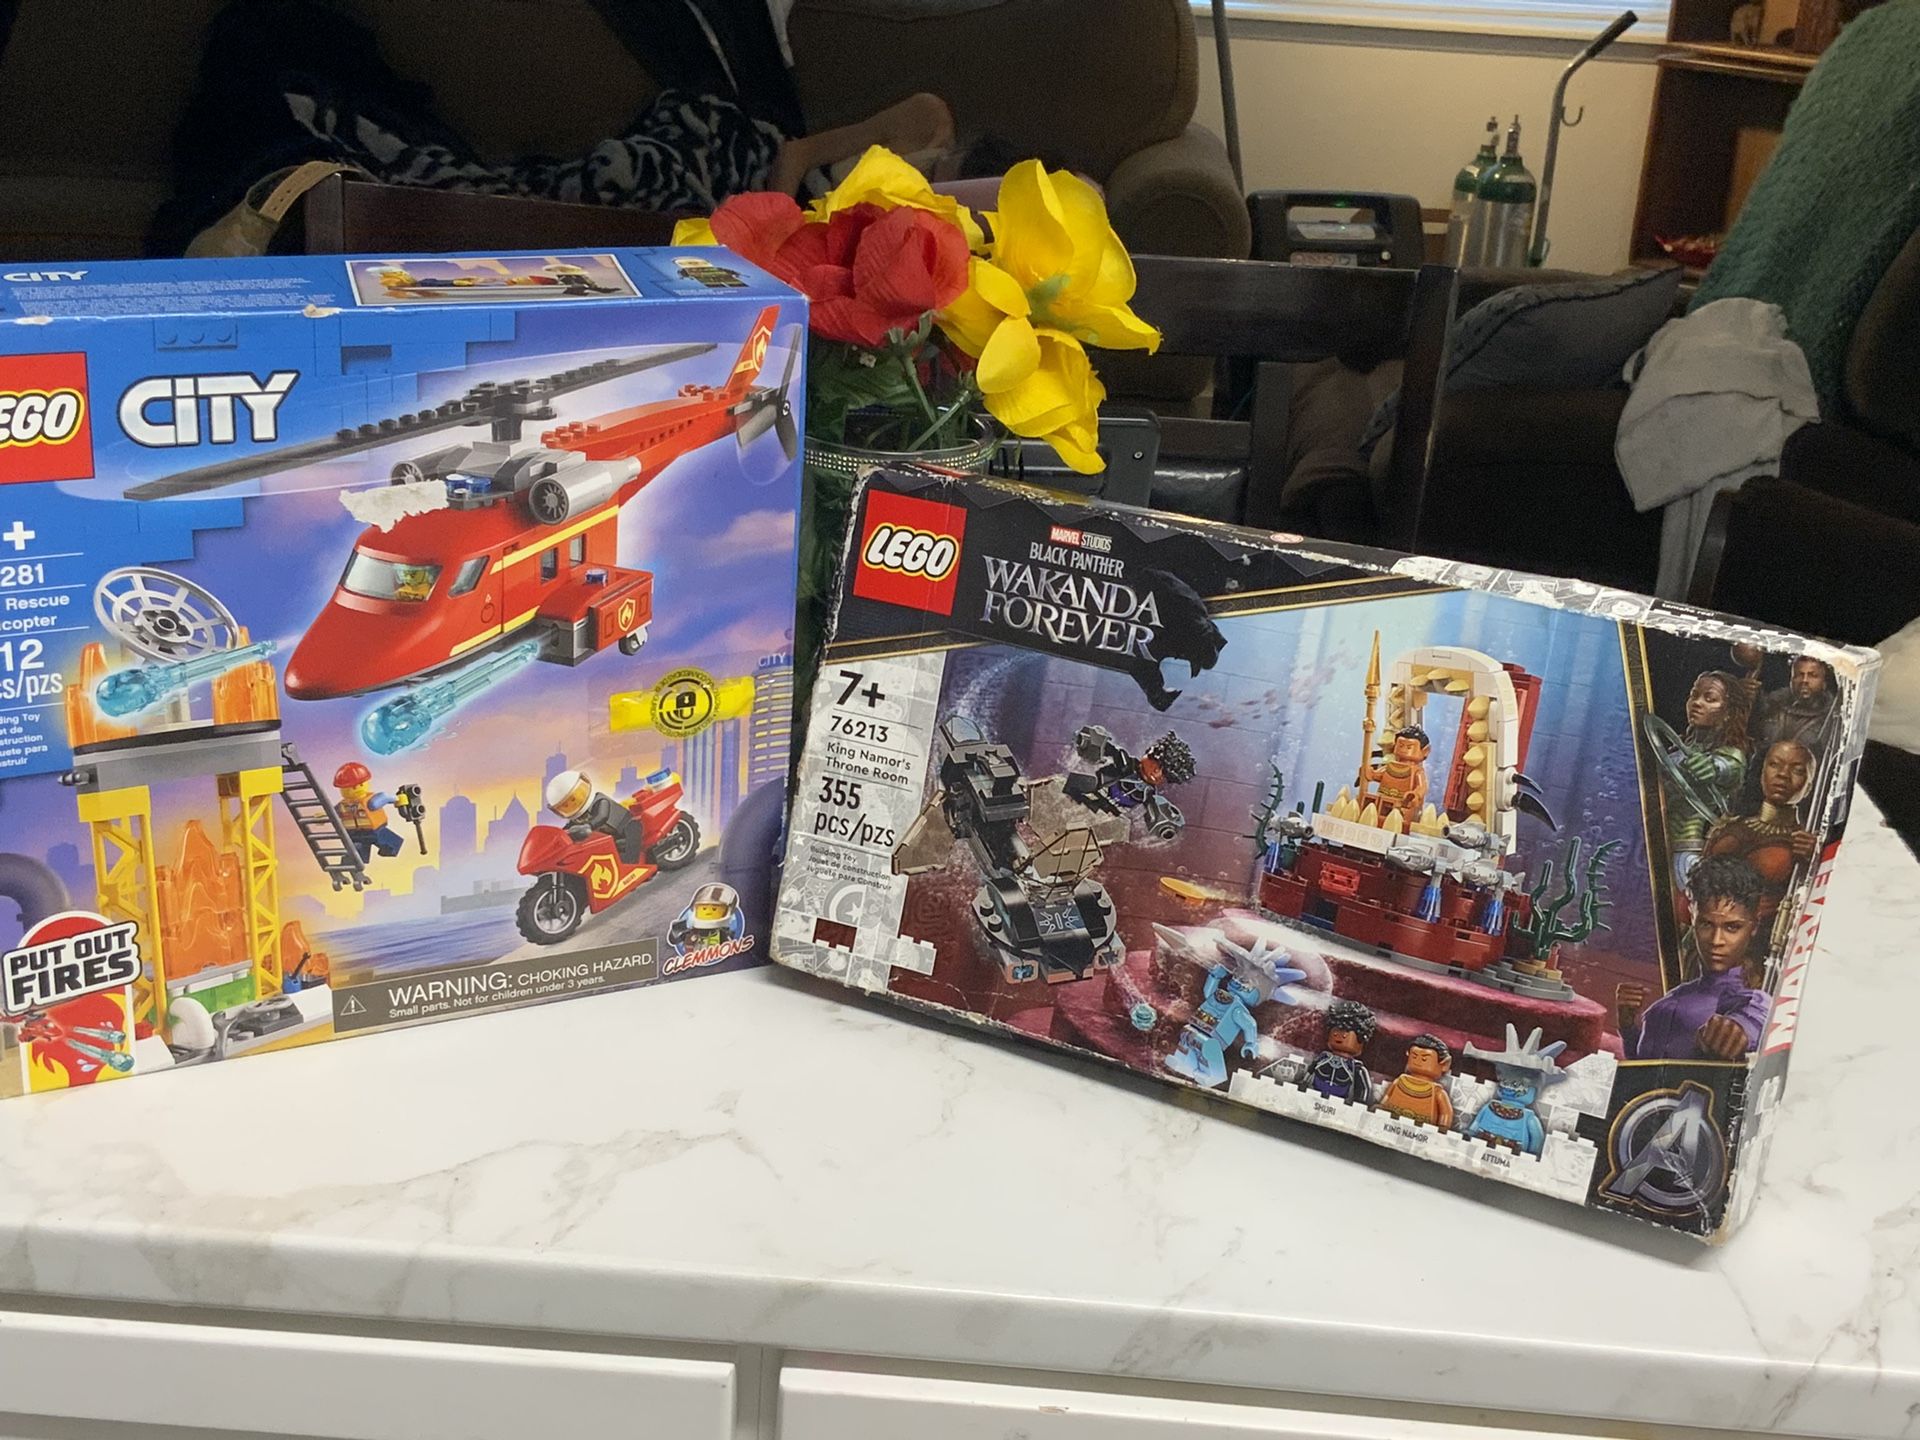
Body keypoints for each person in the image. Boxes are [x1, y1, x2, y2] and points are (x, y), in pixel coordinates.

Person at [1617, 854, 1772, 1061]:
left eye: (1732, 927)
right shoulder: (1669, 1003)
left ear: (1754, 926)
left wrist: (1738, 1030)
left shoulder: (1755, 1002)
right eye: (1706, 924)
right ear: (1692, 915)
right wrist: (1629, 1028)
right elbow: (1645, 1069)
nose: (1716, 940)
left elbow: (1755, 1019)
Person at [545, 769, 643, 865]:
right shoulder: (577, 820)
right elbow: (567, 831)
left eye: (574, 799)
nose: (574, 804)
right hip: (612, 840)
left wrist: (589, 826)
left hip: (626, 828)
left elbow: (601, 816)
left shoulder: (600, 801)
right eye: (566, 805)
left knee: (633, 829)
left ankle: (631, 863)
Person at [333, 762, 407, 862]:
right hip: (354, 833)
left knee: (388, 842)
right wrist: (323, 816)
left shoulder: (371, 801)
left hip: (375, 830)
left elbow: (384, 798)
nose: (356, 789)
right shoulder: (342, 805)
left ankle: (390, 849)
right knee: (357, 850)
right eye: (350, 787)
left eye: (360, 785)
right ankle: (354, 861)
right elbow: (332, 813)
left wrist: (397, 798)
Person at [1378, 1035, 1454, 1128]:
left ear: (1444, 1065)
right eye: (1414, 1056)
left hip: (1422, 1132)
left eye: (1424, 1059)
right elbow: (1387, 1097)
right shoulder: (1399, 1081)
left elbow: (1445, 1113)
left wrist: (1443, 1127)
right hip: (1390, 1124)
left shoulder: (1438, 1092)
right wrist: (1380, 1108)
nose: (1417, 1061)